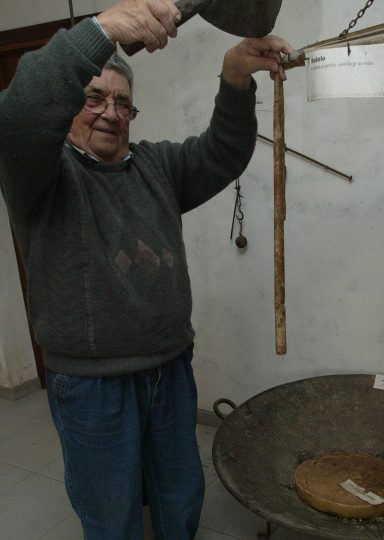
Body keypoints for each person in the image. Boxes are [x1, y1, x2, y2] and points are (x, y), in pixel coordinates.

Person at [0, 0, 293, 538]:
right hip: (91, 386)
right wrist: (103, 29)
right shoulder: (39, 177)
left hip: (169, 369)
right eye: (93, 99)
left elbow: (223, 153)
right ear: (67, 107)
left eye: (122, 103)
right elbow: (17, 114)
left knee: (179, 495)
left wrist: (233, 78)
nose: (110, 112)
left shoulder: (156, 165)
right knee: (112, 516)